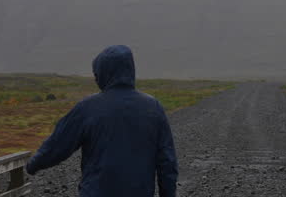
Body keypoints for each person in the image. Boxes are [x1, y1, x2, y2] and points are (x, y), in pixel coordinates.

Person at [25, 45, 178, 197]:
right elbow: (167, 162)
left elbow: (58, 144)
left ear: (105, 73)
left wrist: (33, 164)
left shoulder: (88, 108)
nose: (95, 78)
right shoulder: (153, 107)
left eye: (96, 73)